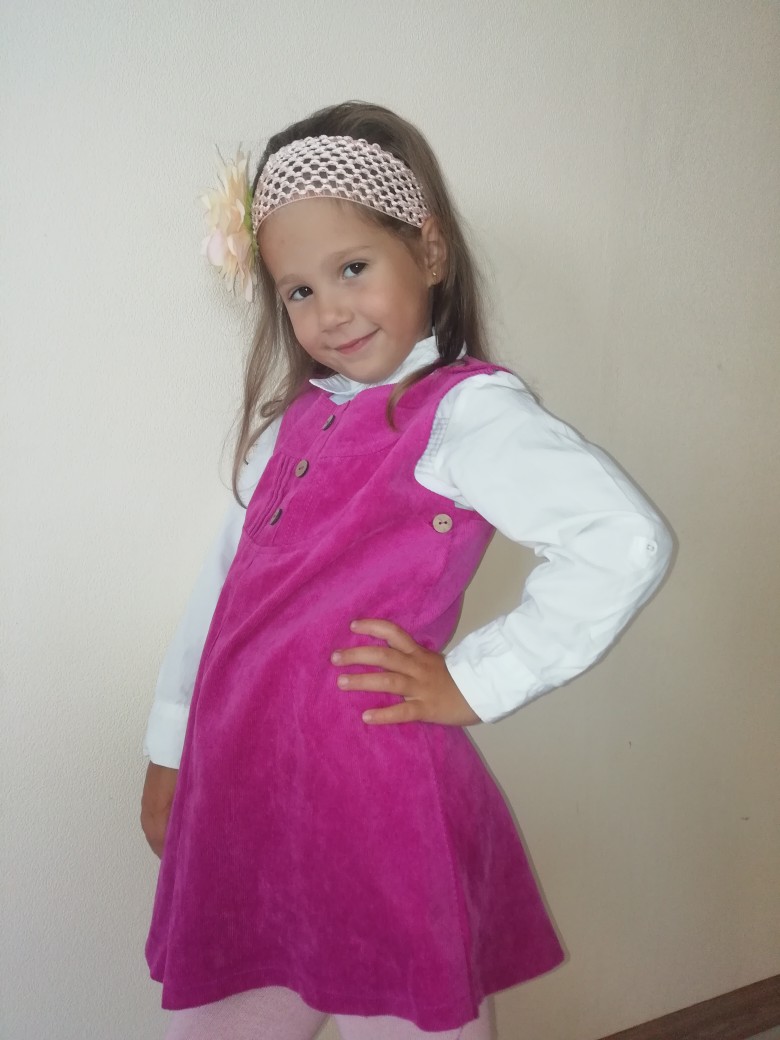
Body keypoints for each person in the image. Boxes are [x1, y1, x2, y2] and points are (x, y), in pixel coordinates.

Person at [141, 101, 672, 1040]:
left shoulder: (467, 416)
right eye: (298, 290)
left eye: (353, 268)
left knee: (409, 1016)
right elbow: (221, 601)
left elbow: (622, 539)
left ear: (426, 251)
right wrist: (170, 748)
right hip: (251, 794)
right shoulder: (289, 430)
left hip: (375, 805)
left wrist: (472, 680)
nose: (330, 311)